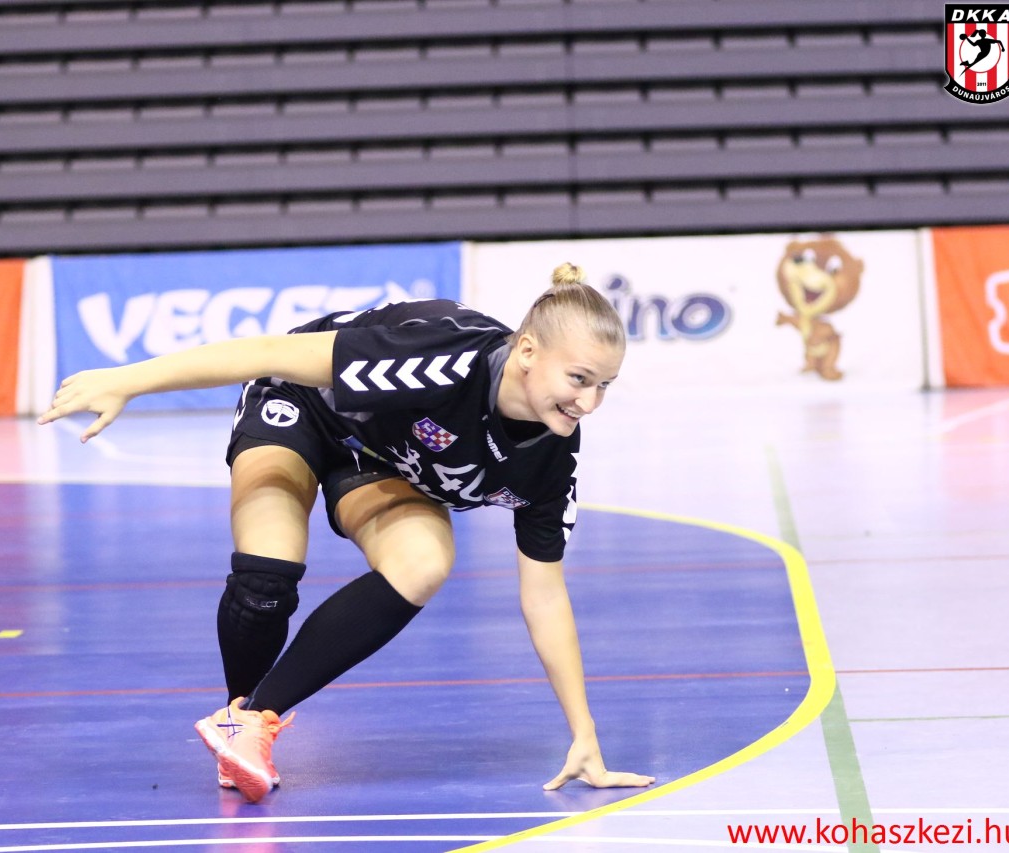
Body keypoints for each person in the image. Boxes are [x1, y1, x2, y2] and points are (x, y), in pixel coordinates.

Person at [38, 263, 655, 803]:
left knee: (424, 561)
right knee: (267, 576)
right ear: (526, 352)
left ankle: (249, 725)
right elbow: (264, 352)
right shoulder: (438, 357)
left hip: (381, 457)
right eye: (579, 379)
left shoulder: (551, 461)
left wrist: (584, 735)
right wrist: (128, 380)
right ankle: (240, 718)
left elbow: (545, 597)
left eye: (605, 385)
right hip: (305, 403)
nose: (590, 403)